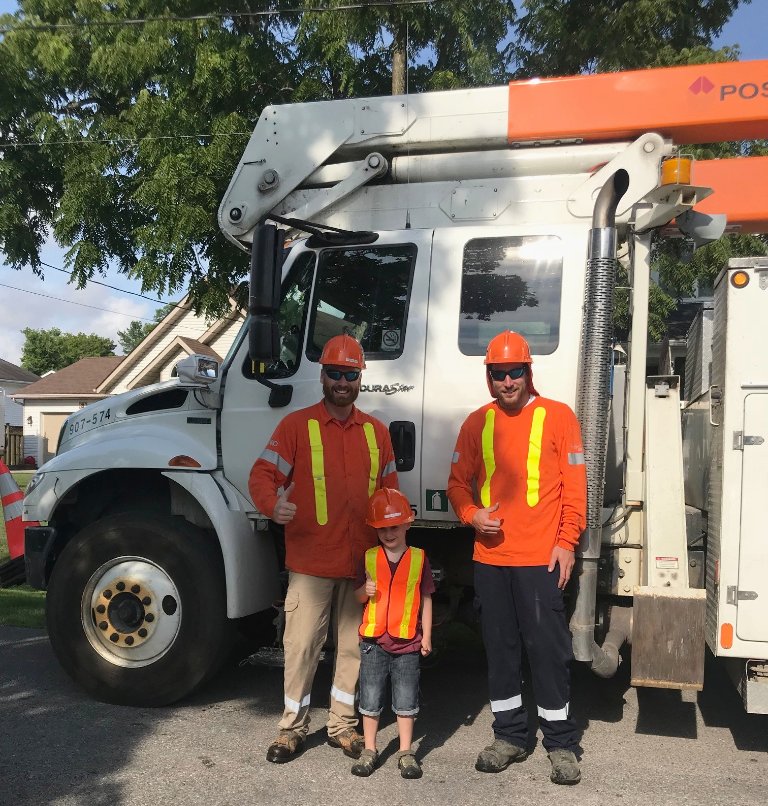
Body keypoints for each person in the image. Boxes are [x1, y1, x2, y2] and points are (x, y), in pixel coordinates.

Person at [249, 334, 399, 764]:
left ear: (359, 380)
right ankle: (291, 728)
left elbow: (390, 497)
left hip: (359, 566)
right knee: (301, 649)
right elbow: (262, 474)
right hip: (311, 564)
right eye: (335, 373)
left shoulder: (377, 433)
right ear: (323, 376)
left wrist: (391, 549)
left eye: (350, 374)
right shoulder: (296, 426)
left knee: (353, 650)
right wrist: (270, 504)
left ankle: (341, 727)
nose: (342, 381)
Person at [447, 330, 586, 786]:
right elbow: (456, 484)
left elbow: (575, 487)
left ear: (529, 372)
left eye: (515, 372)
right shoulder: (475, 424)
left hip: (540, 561)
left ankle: (561, 744)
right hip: (490, 561)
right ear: (488, 376)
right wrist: (470, 514)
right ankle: (508, 736)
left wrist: (566, 541)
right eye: (498, 373)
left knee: (548, 651)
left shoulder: (559, 417)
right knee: (501, 651)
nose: (507, 381)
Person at [350, 487, 434, 779]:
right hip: (373, 643)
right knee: (370, 699)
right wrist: (365, 591)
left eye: (394, 526)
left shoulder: (419, 559)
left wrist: (427, 637)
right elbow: (357, 597)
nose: (388, 533)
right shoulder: (369, 557)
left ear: (408, 524)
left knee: (406, 700)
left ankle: (406, 752)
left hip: (408, 643)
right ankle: (370, 750)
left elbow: (426, 598)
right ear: (375, 529)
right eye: (382, 528)